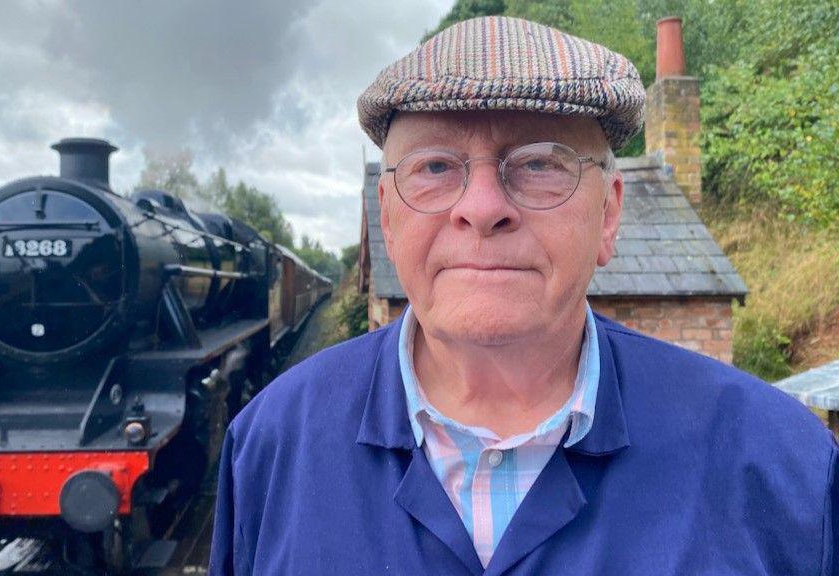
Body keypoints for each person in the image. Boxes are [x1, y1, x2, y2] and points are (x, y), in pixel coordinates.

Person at [210, 15, 837, 575]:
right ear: (389, 217)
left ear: (609, 215)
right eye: (434, 168)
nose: (482, 210)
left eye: (540, 164)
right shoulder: (268, 447)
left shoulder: (782, 465)